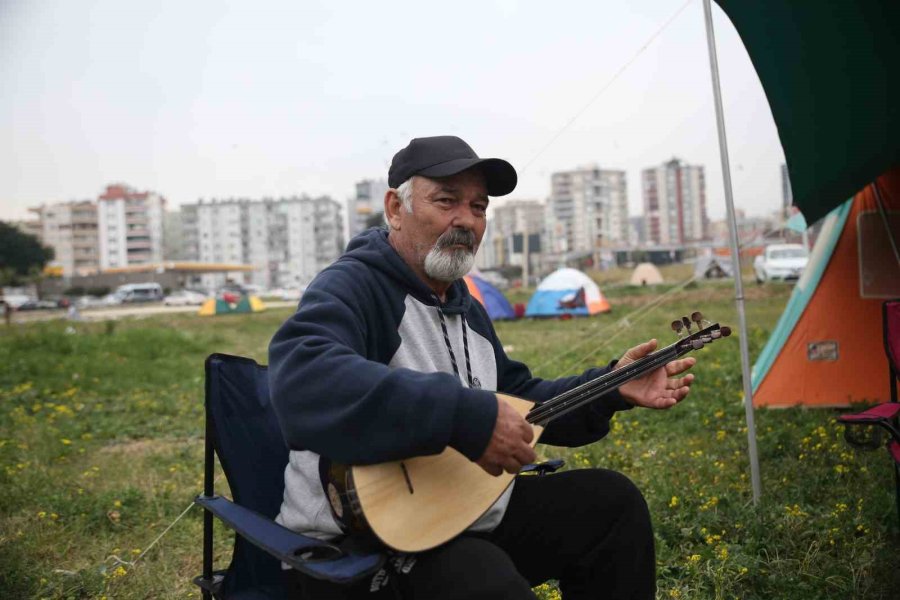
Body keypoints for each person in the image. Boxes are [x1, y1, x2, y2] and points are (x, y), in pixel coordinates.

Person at [268, 136, 696, 599]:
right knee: (484, 580)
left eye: (478, 207)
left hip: (455, 516)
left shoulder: (463, 305)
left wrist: (612, 386)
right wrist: (464, 417)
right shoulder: (354, 285)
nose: (465, 221)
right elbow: (303, 377)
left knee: (612, 505)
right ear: (395, 208)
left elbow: (518, 399)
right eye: (446, 201)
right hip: (352, 548)